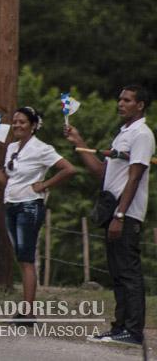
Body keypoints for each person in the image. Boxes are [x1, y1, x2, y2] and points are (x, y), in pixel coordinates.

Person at [64, 85, 155, 346]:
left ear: (140, 105)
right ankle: (120, 328)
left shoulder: (142, 134)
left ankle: (134, 332)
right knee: (117, 273)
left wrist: (121, 214)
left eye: (127, 100)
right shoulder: (123, 134)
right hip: (113, 211)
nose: (120, 103)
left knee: (128, 273)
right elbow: (104, 174)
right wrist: (79, 142)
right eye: (119, 99)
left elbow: (135, 176)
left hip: (125, 214)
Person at [0, 107, 76, 322]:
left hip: (29, 206)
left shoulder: (42, 148)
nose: (17, 125)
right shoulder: (11, 148)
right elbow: (4, 180)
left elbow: (69, 169)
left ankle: (28, 313)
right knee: (21, 258)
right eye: (15, 122)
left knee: (27, 258)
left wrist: (45, 184)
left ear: (33, 125)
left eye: (22, 122)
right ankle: (26, 309)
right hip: (11, 204)